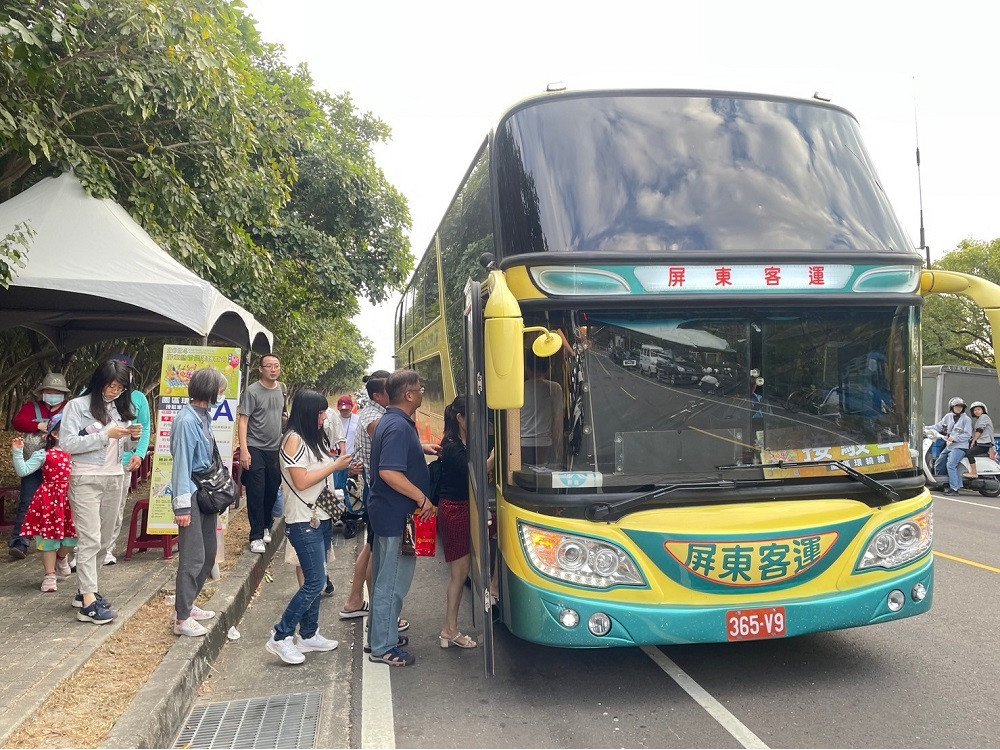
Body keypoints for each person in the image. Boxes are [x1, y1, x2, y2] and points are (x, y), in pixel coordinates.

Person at [265, 389, 353, 664]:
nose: (324, 417)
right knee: (314, 582)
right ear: (306, 413)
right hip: (303, 520)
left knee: (318, 577)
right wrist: (335, 466)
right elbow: (302, 481)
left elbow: (319, 474)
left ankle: (309, 633)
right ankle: (280, 635)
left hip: (320, 516)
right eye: (320, 412)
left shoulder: (312, 439)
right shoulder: (293, 441)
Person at [61, 360, 140, 624]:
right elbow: (68, 444)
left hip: (115, 475)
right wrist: (106, 435)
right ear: (99, 382)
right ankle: (88, 604)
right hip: (85, 477)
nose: (115, 391)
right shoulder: (77, 406)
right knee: (90, 538)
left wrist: (134, 437)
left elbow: (124, 442)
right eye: (111, 385)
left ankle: (87, 589)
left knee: (105, 540)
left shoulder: (121, 408)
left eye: (120, 387)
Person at [367, 370, 436, 667]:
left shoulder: (392, 421)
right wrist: (422, 498)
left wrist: (420, 450)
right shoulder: (397, 426)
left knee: (386, 579)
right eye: (420, 389)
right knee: (392, 583)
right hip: (398, 516)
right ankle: (384, 647)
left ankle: (381, 636)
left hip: (389, 513)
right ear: (409, 395)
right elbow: (389, 472)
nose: (422, 393)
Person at [170, 368, 229, 637]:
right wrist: (181, 507)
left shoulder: (203, 416)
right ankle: (182, 618)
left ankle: (190, 605)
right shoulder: (186, 421)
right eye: (220, 389)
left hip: (205, 492)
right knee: (192, 557)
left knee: (207, 553)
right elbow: (181, 464)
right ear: (208, 390)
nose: (222, 395)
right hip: (192, 493)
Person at [436, 396, 497, 650]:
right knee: (459, 574)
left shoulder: (461, 442)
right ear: (460, 418)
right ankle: (449, 629)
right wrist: (495, 457)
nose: (479, 421)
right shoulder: (451, 447)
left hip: (462, 508)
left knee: (461, 573)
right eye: (473, 416)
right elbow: (476, 472)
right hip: (455, 511)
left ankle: (451, 628)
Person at [338, 370, 390, 621]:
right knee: (376, 549)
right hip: (376, 489)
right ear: (379, 395)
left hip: (371, 486)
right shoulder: (374, 418)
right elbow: (390, 440)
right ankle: (375, 611)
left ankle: (355, 600)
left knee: (371, 547)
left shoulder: (375, 412)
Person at [9, 372, 71, 560]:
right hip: (36, 460)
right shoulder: (32, 407)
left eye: (56, 391)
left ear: (63, 394)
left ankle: (62, 543)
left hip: (61, 464)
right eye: (49, 391)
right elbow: (18, 421)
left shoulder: (70, 408)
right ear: (42, 392)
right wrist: (40, 426)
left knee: (66, 503)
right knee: (27, 500)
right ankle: (20, 541)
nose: (52, 394)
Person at [13, 415, 76, 592]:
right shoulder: (44, 454)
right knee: (49, 540)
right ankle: (49, 575)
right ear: (55, 434)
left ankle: (61, 557)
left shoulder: (79, 455)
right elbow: (23, 470)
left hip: (71, 500)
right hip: (48, 501)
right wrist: (18, 452)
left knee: (73, 539)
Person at [104, 354, 151, 565]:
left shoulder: (139, 398)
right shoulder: (89, 395)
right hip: (93, 462)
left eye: (127, 373)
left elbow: (144, 428)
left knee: (115, 507)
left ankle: (107, 549)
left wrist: (139, 454)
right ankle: (80, 550)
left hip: (123, 461)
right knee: (89, 508)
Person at [238, 353, 284, 553]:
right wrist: (244, 450)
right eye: (269, 366)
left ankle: (266, 524)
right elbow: (243, 420)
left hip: (275, 448)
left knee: (272, 489)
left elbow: (282, 416)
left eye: (276, 366)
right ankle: (255, 535)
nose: (273, 369)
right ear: (261, 369)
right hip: (255, 446)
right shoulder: (252, 391)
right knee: (256, 491)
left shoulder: (281, 389)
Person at [520, 351, 564, 467]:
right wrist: (559, 453)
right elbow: (558, 425)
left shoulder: (518, 389)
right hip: (544, 446)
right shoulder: (555, 388)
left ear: (525, 368)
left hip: (521, 446)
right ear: (549, 369)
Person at [932, 396, 974, 495]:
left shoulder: (966, 419)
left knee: (951, 464)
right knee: (939, 462)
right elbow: (938, 426)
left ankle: (954, 489)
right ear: (952, 407)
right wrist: (925, 428)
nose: (959, 408)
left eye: (961, 407)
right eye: (956, 406)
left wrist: (955, 438)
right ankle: (941, 484)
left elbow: (968, 434)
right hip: (949, 446)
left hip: (960, 447)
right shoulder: (948, 417)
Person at [964, 401, 997, 480]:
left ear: (983, 410)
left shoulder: (984, 417)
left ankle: (974, 472)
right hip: (982, 443)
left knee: (969, 452)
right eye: (974, 410)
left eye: (978, 409)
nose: (976, 411)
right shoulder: (980, 419)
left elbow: (979, 430)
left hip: (984, 443)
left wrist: (973, 441)